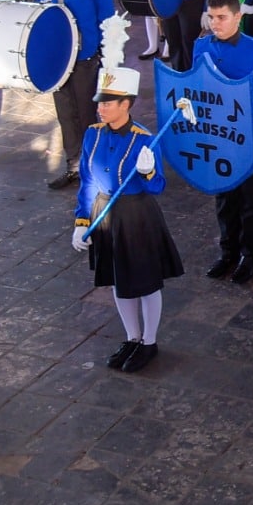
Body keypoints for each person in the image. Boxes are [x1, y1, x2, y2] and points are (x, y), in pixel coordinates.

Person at [69, 64, 183, 374]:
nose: (100, 108)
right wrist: (81, 222)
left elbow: (158, 186)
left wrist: (147, 171)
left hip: (136, 216)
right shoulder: (92, 135)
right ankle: (132, 337)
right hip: (105, 215)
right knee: (119, 281)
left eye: (107, 102)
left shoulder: (143, 138)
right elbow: (88, 182)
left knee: (145, 282)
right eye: (100, 102)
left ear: (126, 104)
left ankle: (149, 341)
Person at [194, 0, 253, 285]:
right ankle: (228, 251)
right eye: (211, 18)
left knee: (251, 198)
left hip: (249, 138)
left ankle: (251, 255)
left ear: (237, 17)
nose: (215, 24)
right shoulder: (202, 48)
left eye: (221, 18)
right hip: (218, 137)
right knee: (224, 196)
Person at [37, 0, 117, 189]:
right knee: (64, 113)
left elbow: (108, 20)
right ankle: (73, 165)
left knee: (86, 114)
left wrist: (109, 59)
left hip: (85, 58)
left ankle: (95, 166)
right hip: (57, 61)